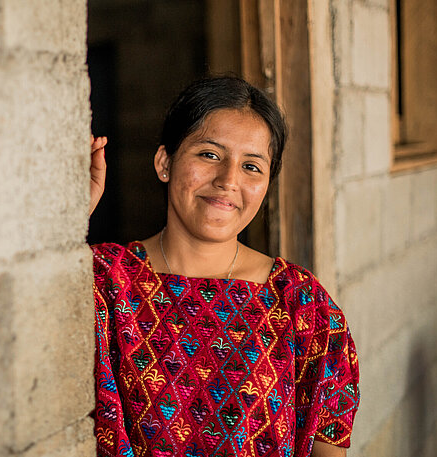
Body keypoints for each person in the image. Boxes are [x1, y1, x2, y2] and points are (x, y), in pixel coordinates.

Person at [88, 76, 359, 457]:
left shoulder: (302, 303)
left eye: (252, 166)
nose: (228, 180)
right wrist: (71, 215)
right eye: (210, 155)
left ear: (266, 186)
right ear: (165, 163)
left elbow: (329, 447)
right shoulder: (106, 280)